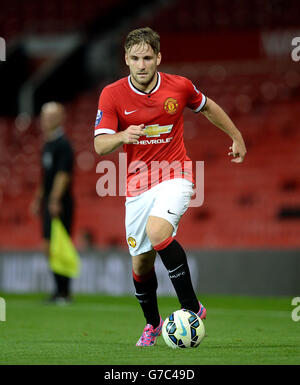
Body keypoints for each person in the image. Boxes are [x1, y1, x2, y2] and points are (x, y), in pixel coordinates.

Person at [93, 27, 246, 346]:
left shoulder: (179, 86)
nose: (142, 64)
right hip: (137, 185)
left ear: (158, 57)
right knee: (141, 262)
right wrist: (122, 136)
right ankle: (152, 324)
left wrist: (236, 136)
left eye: (148, 57)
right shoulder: (112, 93)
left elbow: (208, 107)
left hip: (176, 173)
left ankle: (192, 307)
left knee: (159, 231)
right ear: (126, 60)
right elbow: (100, 146)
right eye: (135, 58)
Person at [31, 101, 74, 304]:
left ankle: (63, 291)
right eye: (43, 116)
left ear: (59, 118)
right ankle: (59, 290)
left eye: (49, 116)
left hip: (61, 202)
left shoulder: (63, 144)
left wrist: (55, 199)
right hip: (49, 201)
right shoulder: (48, 143)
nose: (44, 120)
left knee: (58, 246)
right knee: (49, 246)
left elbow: (63, 175)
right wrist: (39, 199)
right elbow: (46, 177)